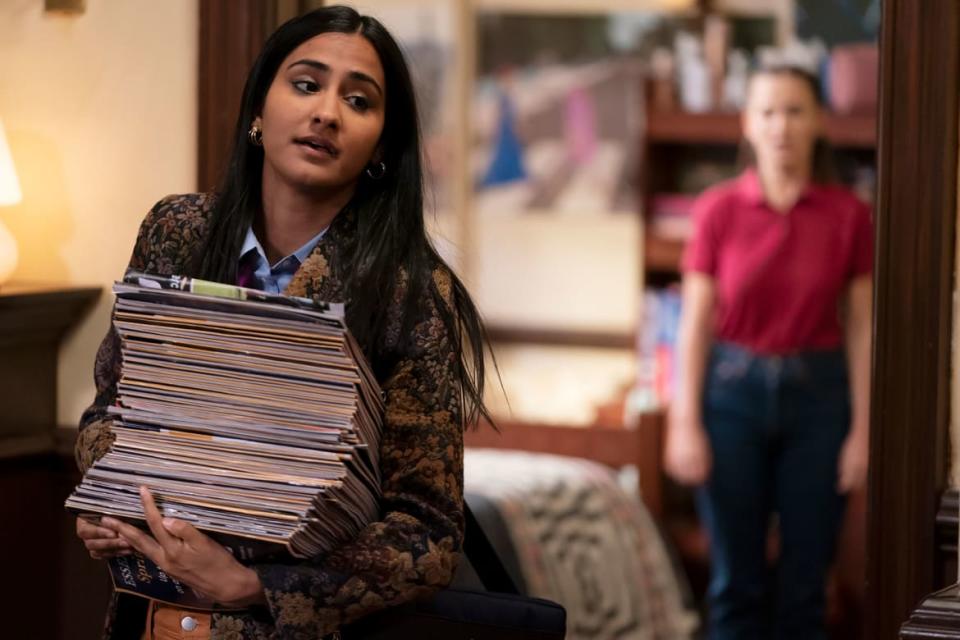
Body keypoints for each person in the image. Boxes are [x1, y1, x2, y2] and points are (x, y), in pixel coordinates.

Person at [73, 6, 494, 639]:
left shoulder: (411, 290)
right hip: (150, 618)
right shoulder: (175, 231)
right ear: (258, 112)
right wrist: (118, 504)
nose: (327, 111)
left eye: (359, 100)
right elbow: (110, 414)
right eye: (305, 84)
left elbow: (427, 535)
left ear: (381, 145)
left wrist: (259, 586)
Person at [663, 64, 873, 640]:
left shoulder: (850, 215)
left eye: (796, 110)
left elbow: (861, 326)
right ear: (747, 125)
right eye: (768, 112)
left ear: (819, 122)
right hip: (730, 399)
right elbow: (695, 323)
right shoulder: (717, 211)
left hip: (821, 402)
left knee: (807, 588)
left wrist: (864, 430)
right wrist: (684, 423)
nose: (781, 125)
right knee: (736, 585)